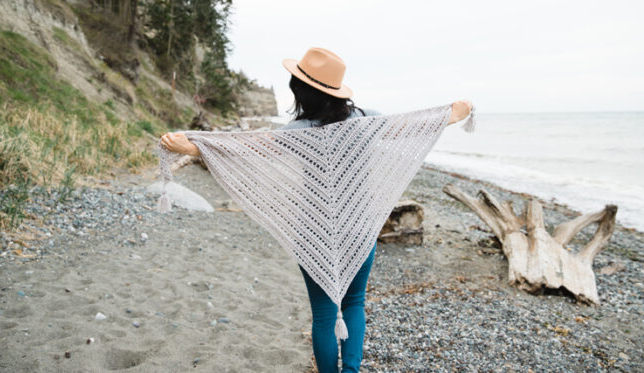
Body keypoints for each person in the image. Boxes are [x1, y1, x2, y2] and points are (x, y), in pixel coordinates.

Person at [160, 47, 472, 372]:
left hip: (314, 235)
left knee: (325, 314)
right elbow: (412, 126)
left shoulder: (298, 132)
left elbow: (246, 148)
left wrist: (193, 146)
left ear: (302, 91)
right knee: (353, 304)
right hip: (360, 232)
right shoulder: (366, 120)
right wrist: (454, 113)